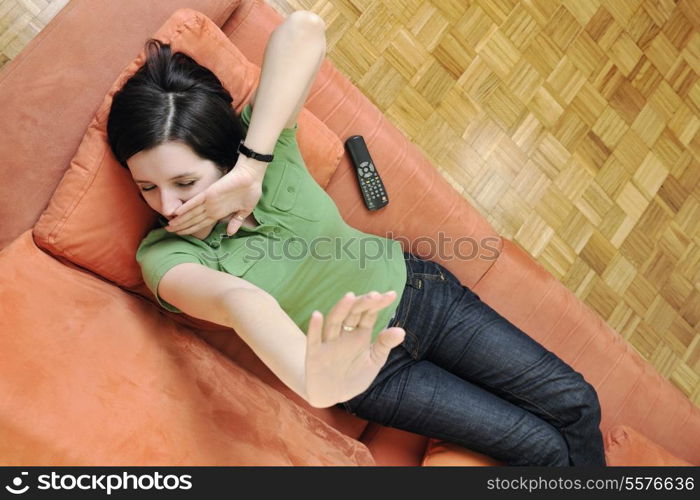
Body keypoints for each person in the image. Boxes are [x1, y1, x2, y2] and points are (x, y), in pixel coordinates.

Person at [107, 10, 607, 466]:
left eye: (184, 183)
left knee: (579, 403)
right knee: (542, 451)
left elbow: (304, 30)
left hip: (423, 293)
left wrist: (253, 166)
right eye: (146, 187)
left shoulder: (261, 151)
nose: (168, 206)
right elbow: (237, 300)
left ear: (224, 156)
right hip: (374, 375)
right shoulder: (166, 256)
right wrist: (312, 379)